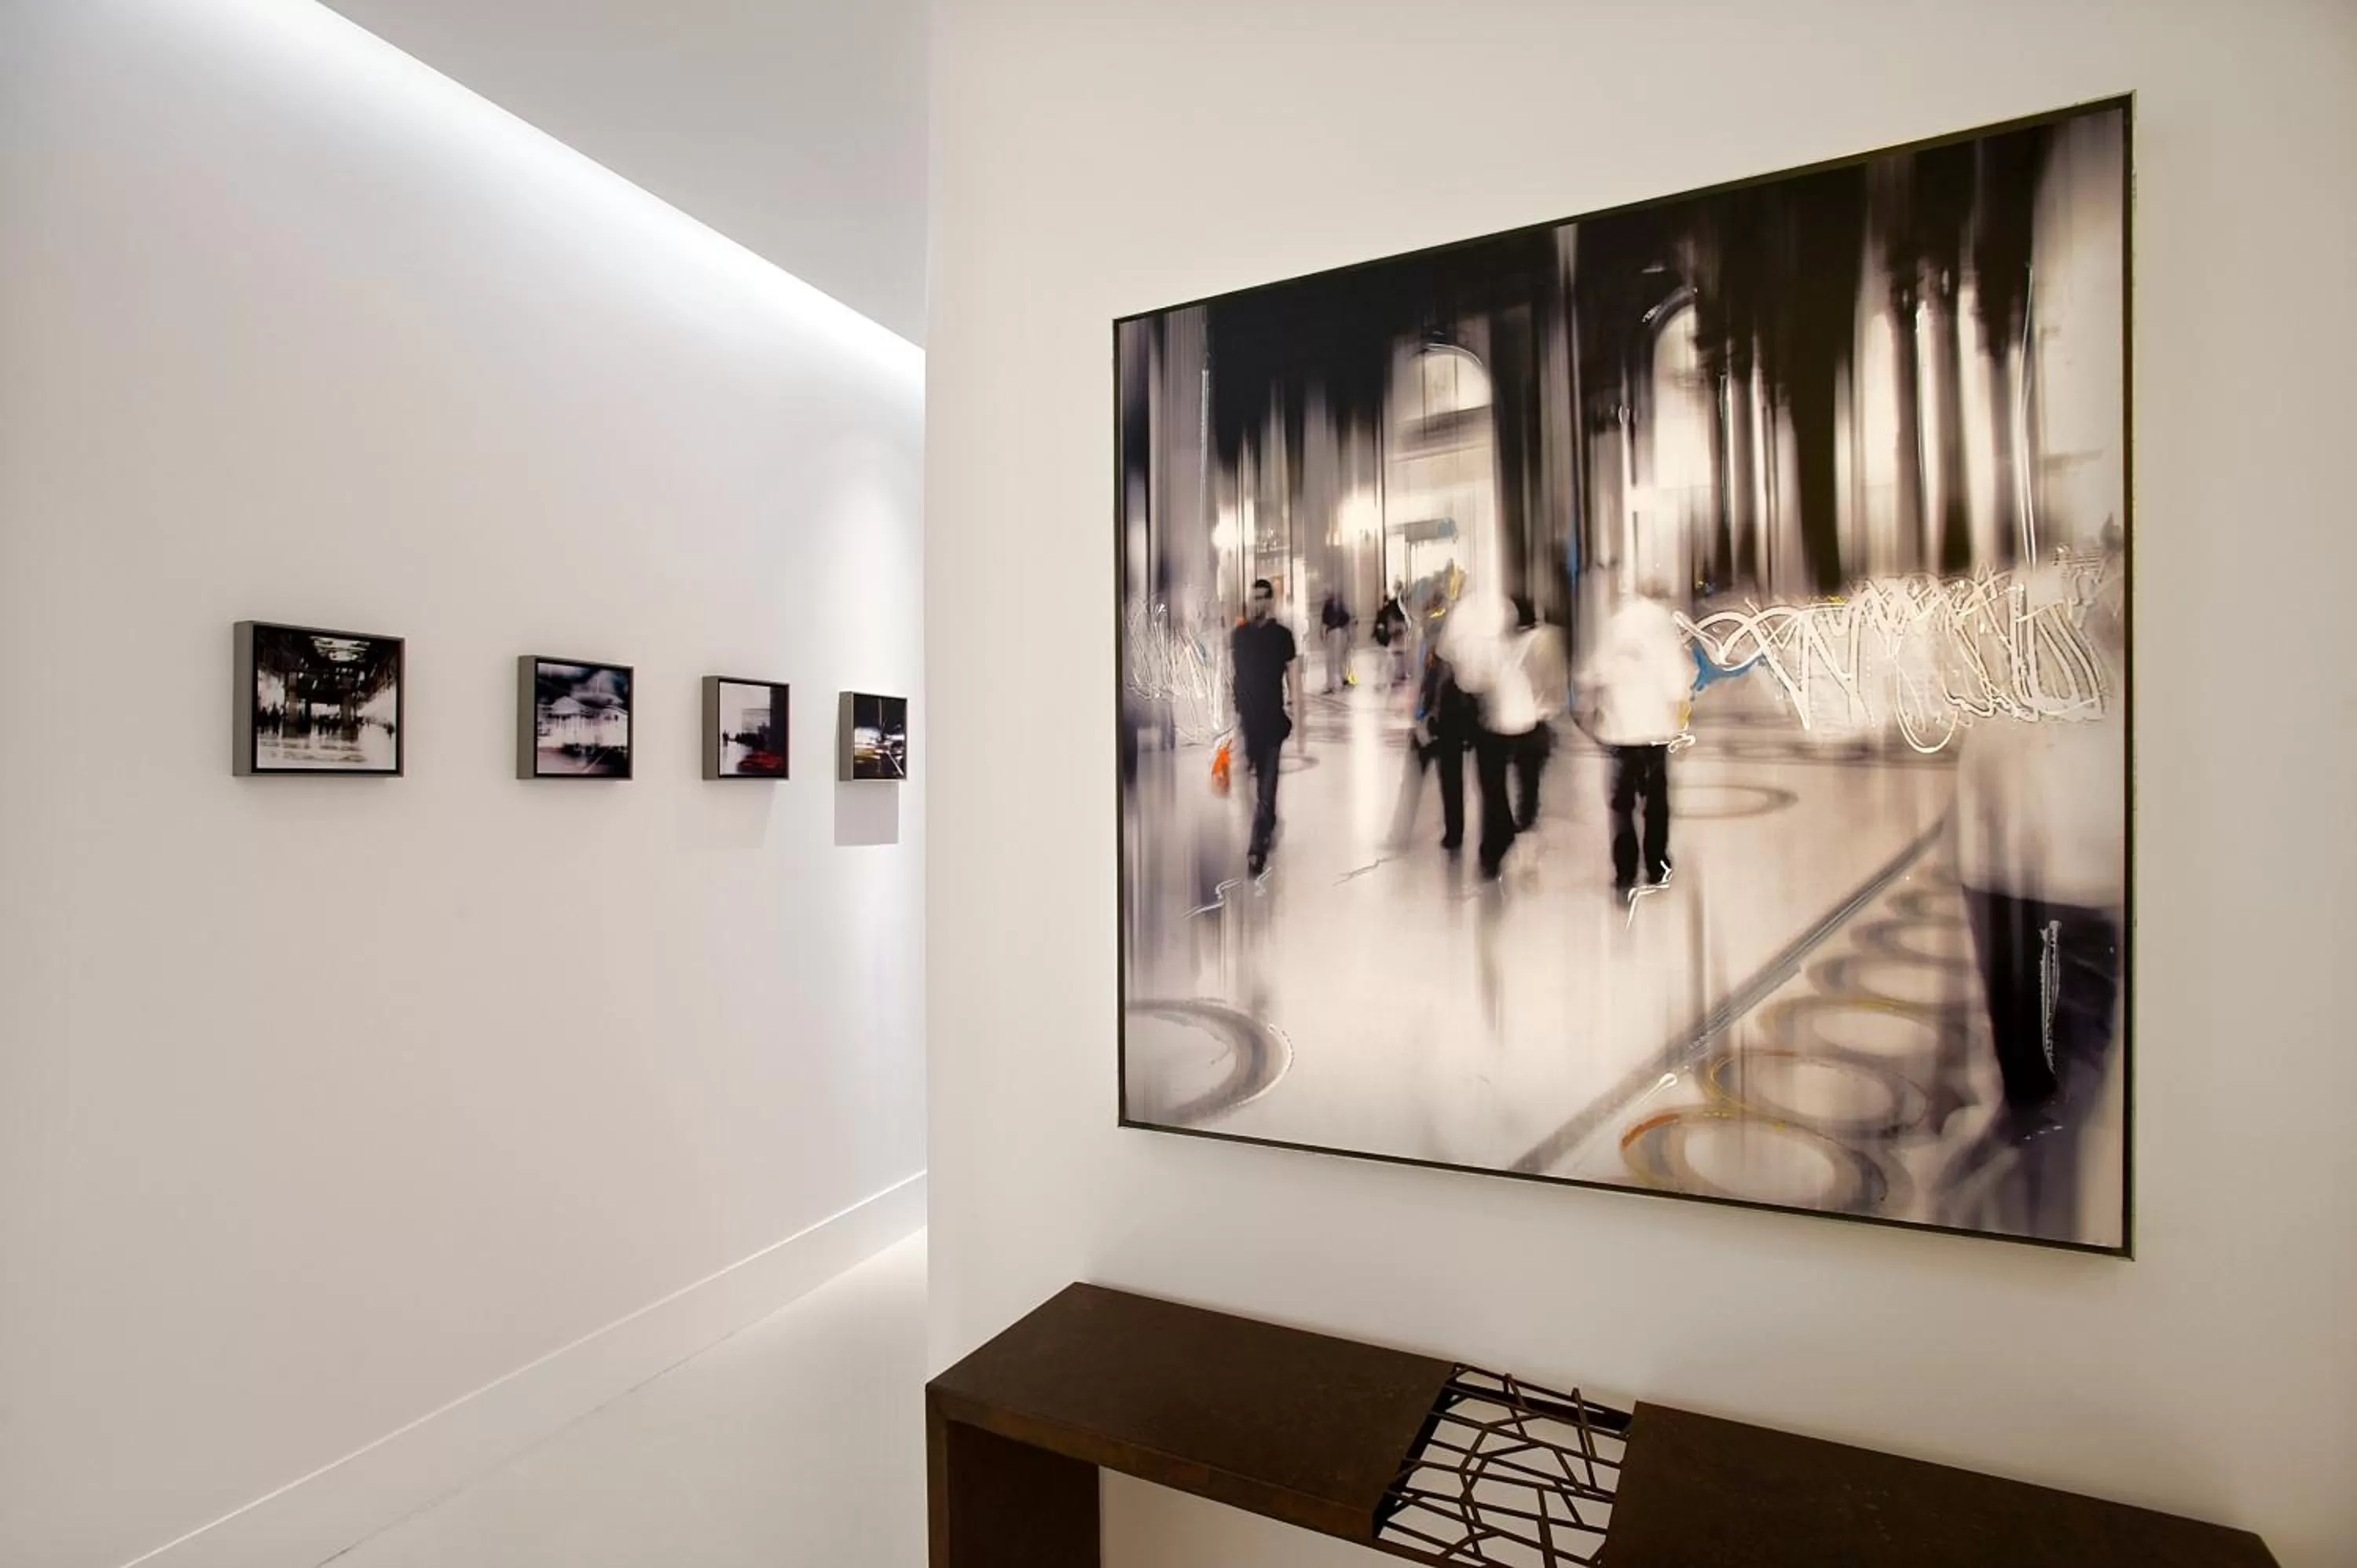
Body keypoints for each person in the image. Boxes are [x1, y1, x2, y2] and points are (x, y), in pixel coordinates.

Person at [1575, 582, 1695, 896]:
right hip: (1656, 730)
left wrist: (1592, 706)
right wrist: (1679, 721)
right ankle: (1656, 866)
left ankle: (1625, 870)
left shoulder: (1615, 624)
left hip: (1620, 730)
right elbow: (1677, 680)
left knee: (1622, 804)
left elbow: (1594, 673)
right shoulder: (1663, 624)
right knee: (1656, 803)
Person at [1230, 578, 1305, 876]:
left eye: (1263, 597)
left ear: (1271, 601)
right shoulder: (1239, 636)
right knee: (1244, 785)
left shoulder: (1283, 636)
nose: (1258, 602)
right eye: (1254, 597)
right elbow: (1235, 678)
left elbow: (1295, 683)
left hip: (1272, 722)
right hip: (1247, 722)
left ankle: (1256, 849)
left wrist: (1301, 722)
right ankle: (1267, 822)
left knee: (1267, 786)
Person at [1318, 589, 1352, 693]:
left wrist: (1323, 635)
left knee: (1333, 660)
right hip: (1339, 632)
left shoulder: (1329, 606)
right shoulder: (1340, 606)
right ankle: (1338, 682)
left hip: (1333, 632)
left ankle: (1334, 684)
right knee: (1338, 659)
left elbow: (1324, 622)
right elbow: (1347, 619)